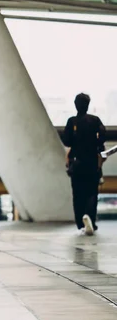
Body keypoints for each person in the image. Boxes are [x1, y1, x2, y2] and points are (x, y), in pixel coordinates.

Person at [62, 93, 106, 236]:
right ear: (88, 105)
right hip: (92, 162)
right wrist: (97, 145)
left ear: (76, 105)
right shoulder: (95, 120)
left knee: (78, 194)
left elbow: (67, 141)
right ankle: (90, 219)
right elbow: (102, 135)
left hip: (77, 163)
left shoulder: (72, 121)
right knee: (92, 192)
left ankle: (81, 222)